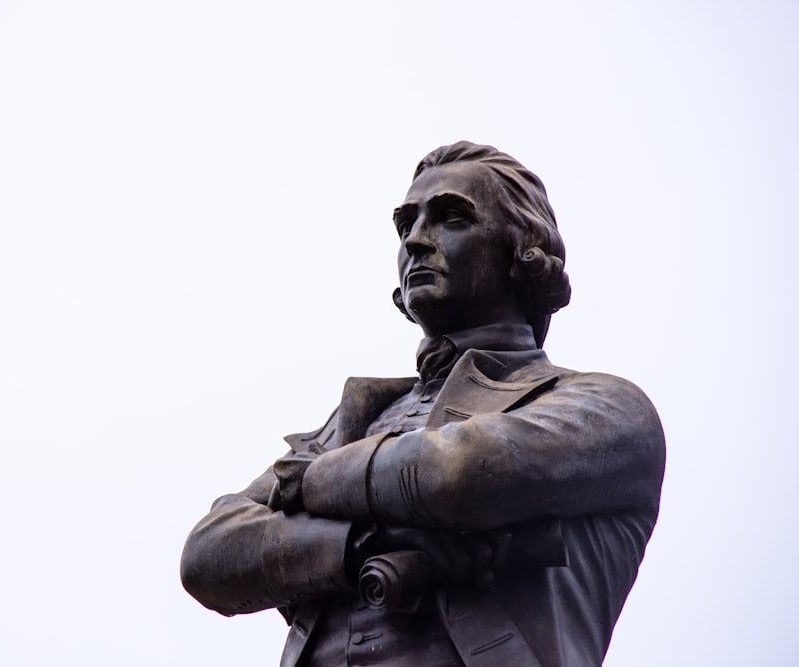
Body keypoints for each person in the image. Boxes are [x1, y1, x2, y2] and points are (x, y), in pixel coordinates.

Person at [180, 141, 665, 666]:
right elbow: (207, 554)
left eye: (451, 217)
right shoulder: (351, 423)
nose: (415, 240)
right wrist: (360, 545)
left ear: (523, 249)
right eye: (406, 224)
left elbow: (457, 473)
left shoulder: (604, 407)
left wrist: (312, 483)